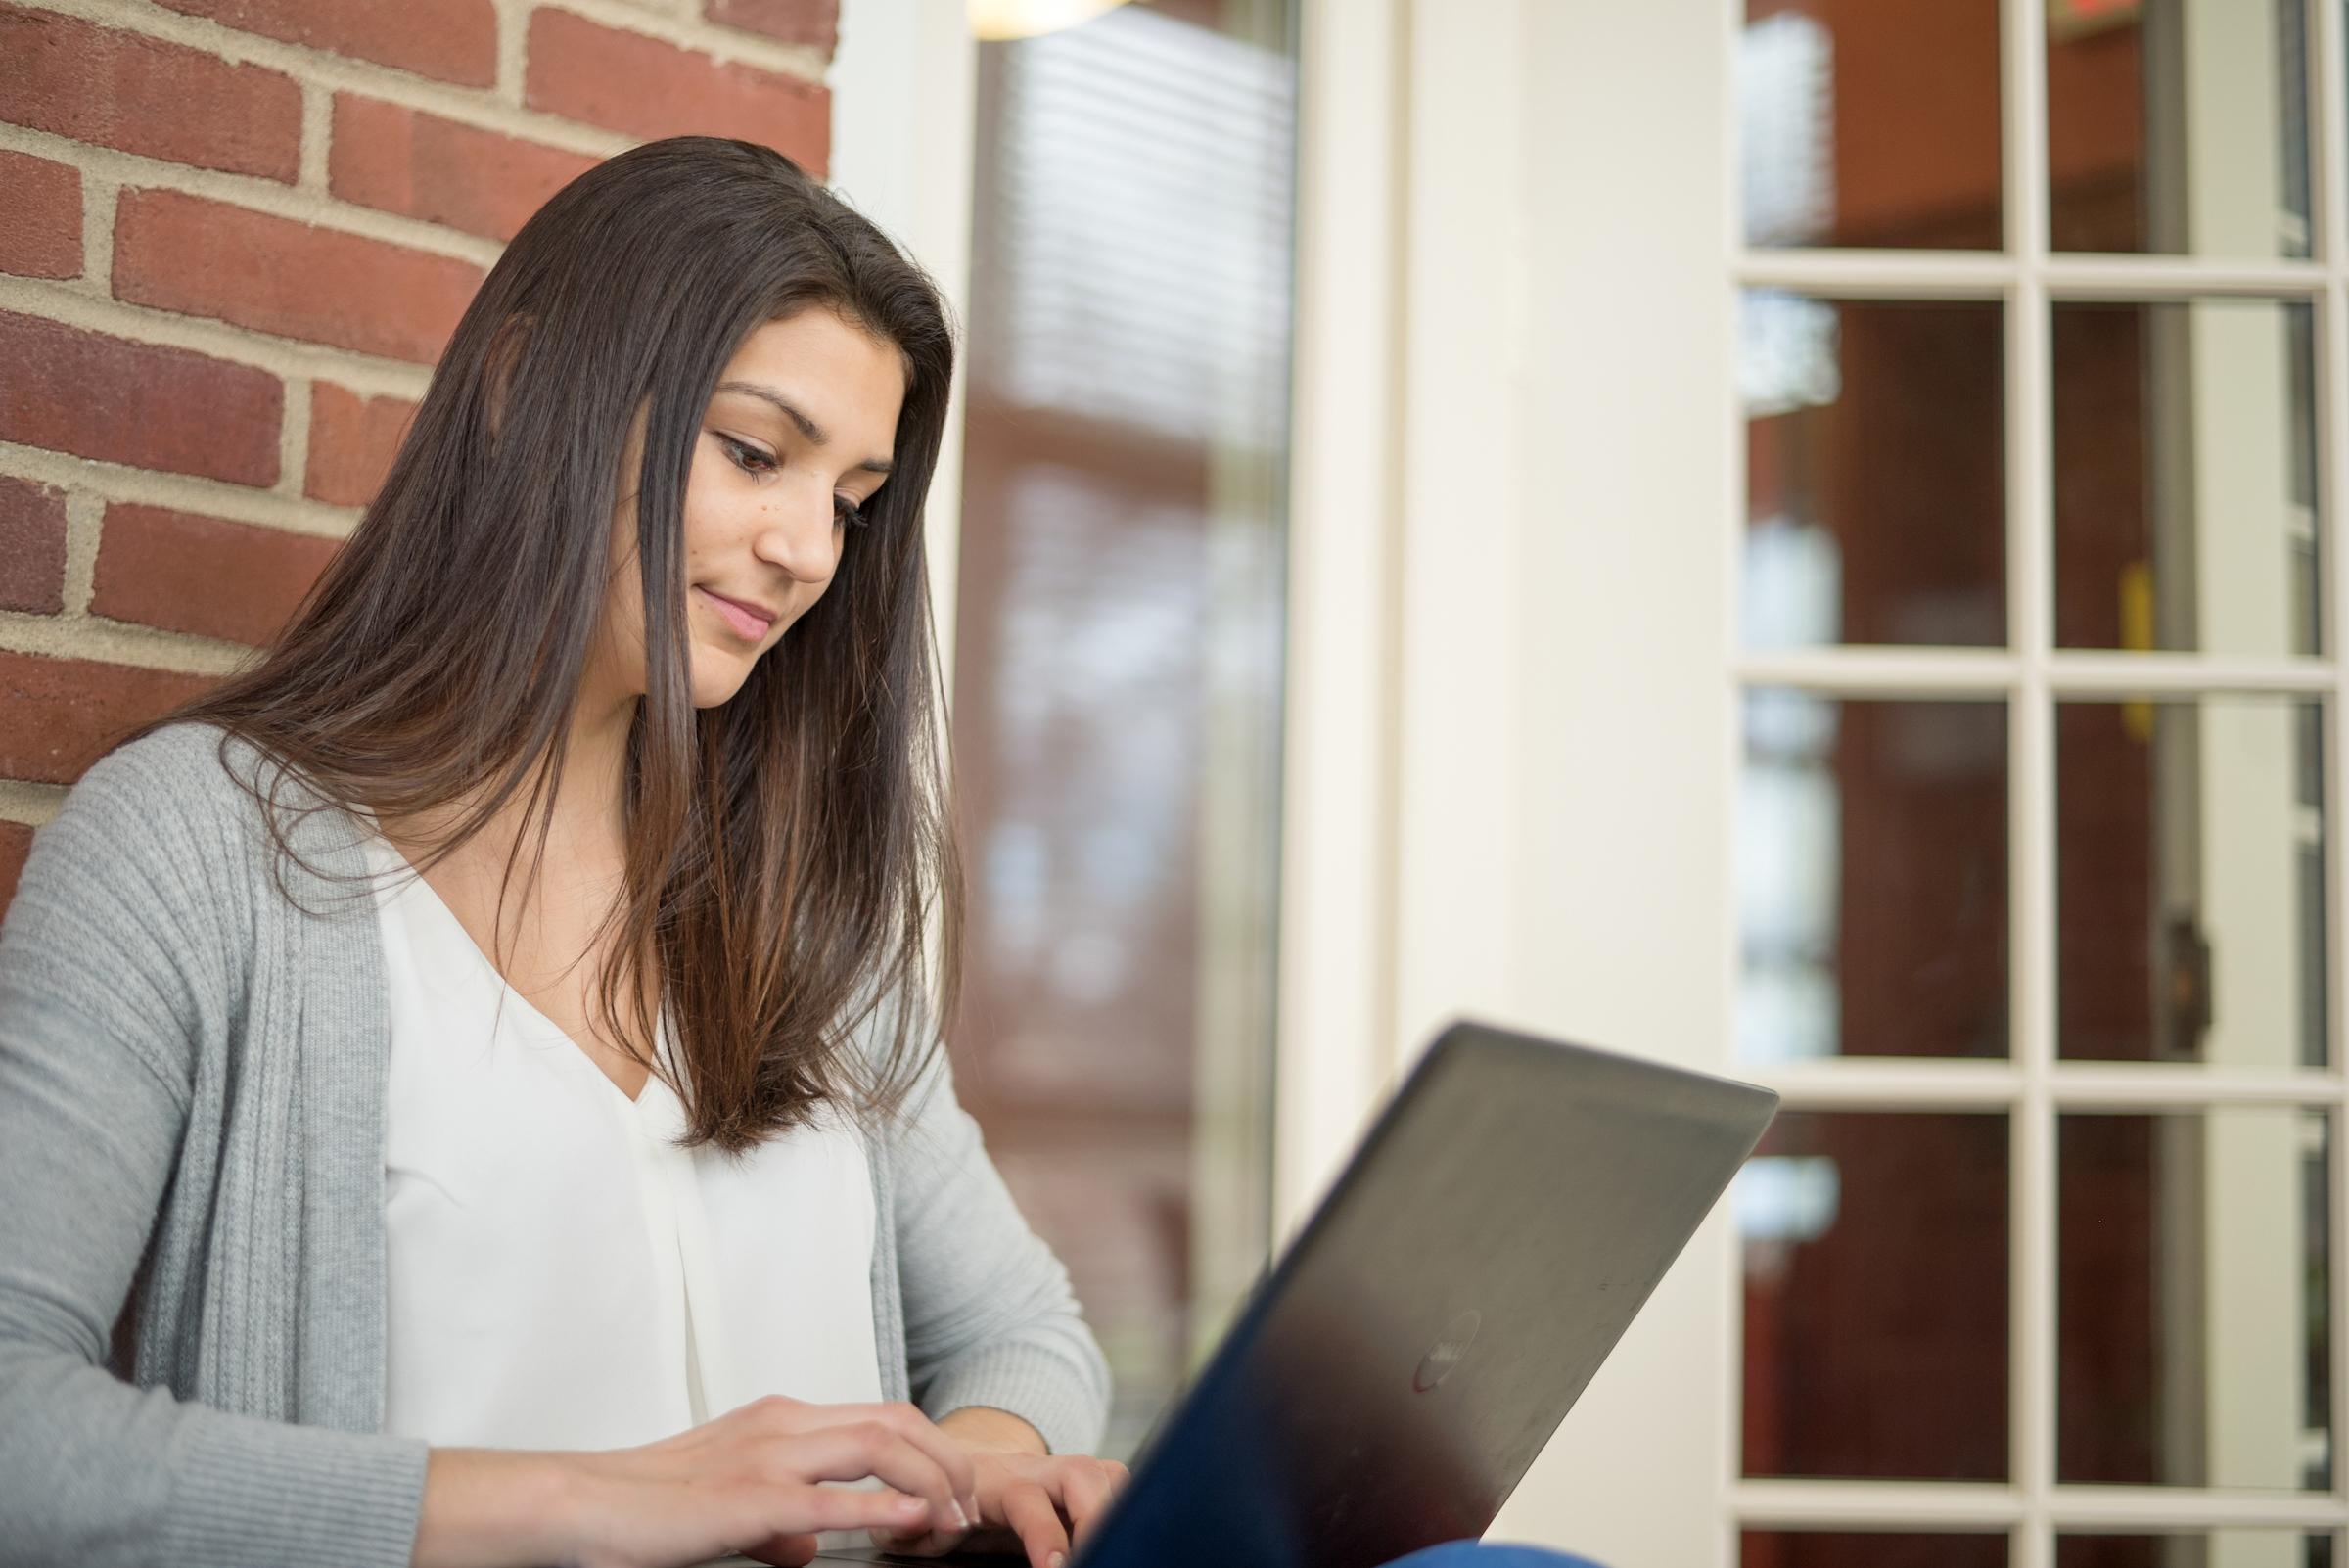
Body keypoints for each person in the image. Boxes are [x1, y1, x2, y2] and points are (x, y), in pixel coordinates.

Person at [0, 136, 1125, 1568]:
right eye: (754, 453)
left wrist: (968, 1478)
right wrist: (596, 1499)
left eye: (849, 501)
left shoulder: (794, 901)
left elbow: (1026, 1335)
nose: (808, 550)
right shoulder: (192, 853)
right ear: (525, 385)